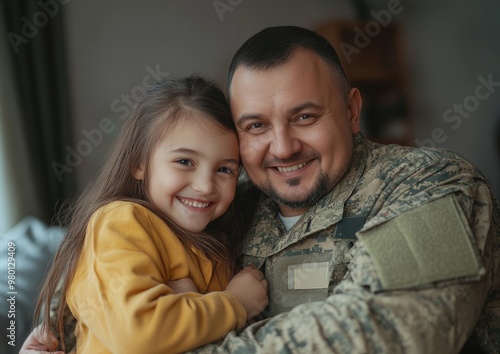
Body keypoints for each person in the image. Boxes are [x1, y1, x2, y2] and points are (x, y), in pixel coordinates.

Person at [23, 26, 499, 353]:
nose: (283, 146)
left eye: (305, 116)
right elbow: (101, 305)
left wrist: (163, 338)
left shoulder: (428, 184)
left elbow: (391, 333)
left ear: (352, 112)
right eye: (255, 125)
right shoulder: (227, 208)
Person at [27, 76, 268, 354]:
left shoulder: (213, 242)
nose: (205, 186)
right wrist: (234, 303)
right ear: (138, 163)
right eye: (184, 161)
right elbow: (137, 333)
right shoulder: (120, 221)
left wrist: (186, 301)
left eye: (225, 169)